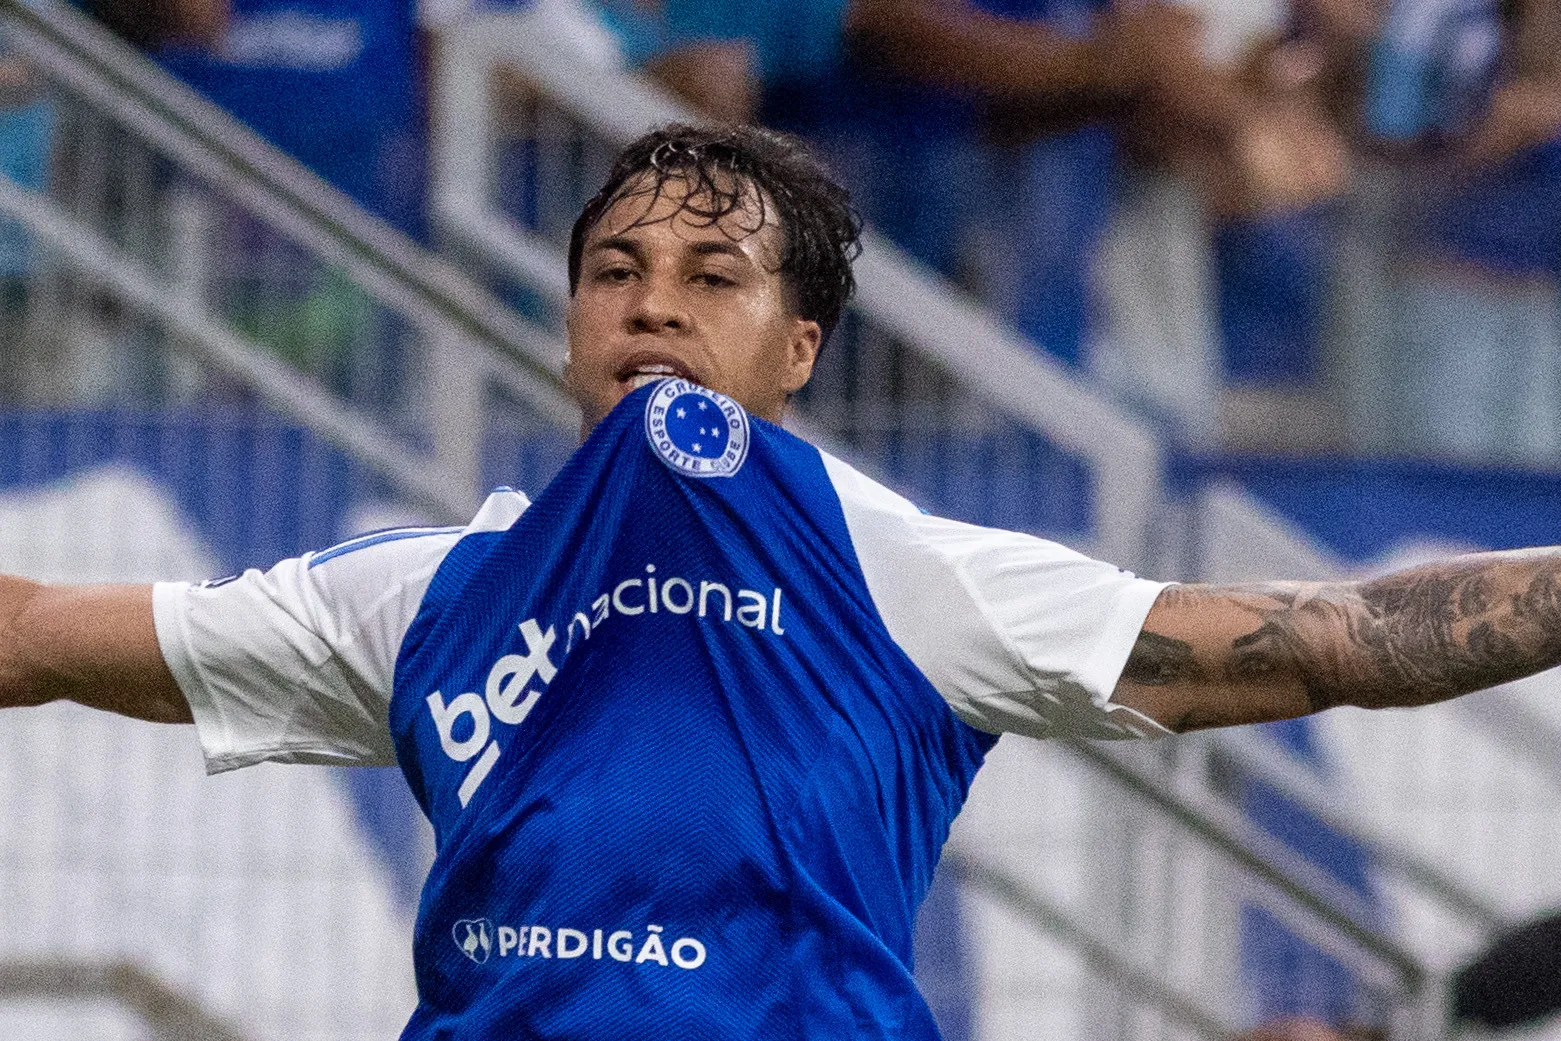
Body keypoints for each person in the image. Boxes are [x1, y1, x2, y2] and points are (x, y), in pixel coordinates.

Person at [4, 123, 1561, 1038]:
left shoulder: (905, 575)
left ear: (798, 351)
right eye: (613, 274)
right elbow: (31, 635)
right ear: (565, 332)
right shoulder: (422, 600)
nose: (651, 308)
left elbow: (1329, 641)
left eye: (712, 278)